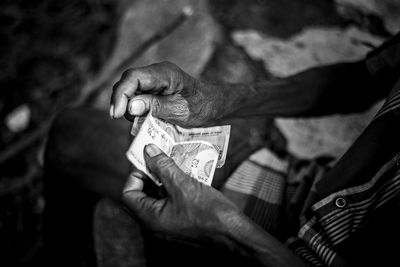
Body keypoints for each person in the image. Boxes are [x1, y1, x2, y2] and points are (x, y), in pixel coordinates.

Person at [44, 33, 400, 267]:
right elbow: (359, 80)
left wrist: (229, 232)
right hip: (301, 193)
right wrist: (218, 100)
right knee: (73, 136)